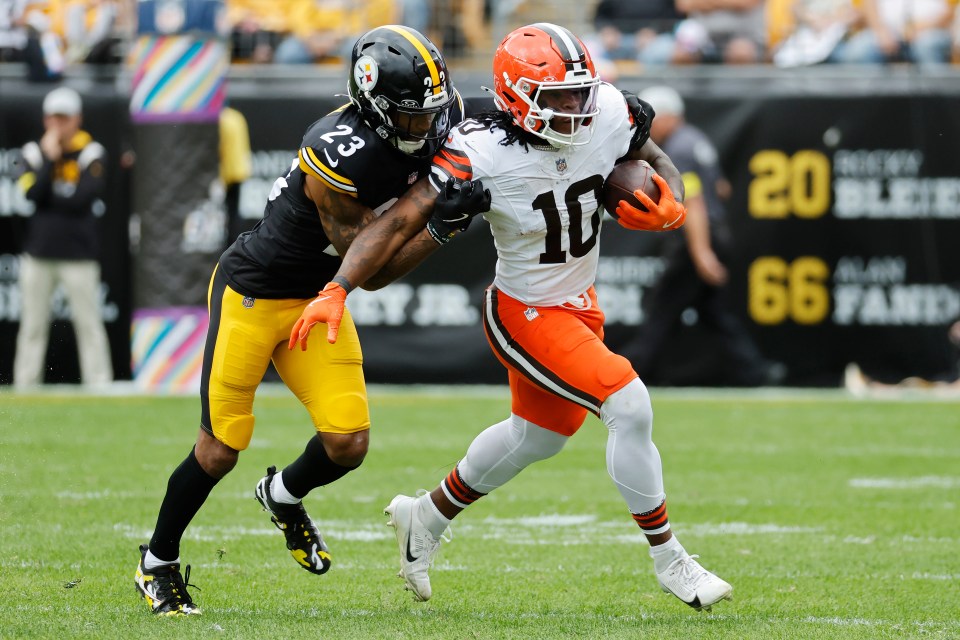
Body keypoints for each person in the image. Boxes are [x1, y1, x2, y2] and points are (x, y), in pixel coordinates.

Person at [290, 22, 733, 611]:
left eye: (579, 92)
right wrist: (339, 287)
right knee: (628, 404)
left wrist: (671, 202)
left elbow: (654, 157)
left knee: (539, 437)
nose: (575, 108)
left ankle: (424, 517)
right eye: (558, 98)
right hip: (525, 310)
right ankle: (671, 558)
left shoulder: (607, 110)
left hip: (579, 304)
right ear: (516, 94)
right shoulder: (477, 150)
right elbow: (398, 223)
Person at [133, 25, 490, 617]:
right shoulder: (336, 151)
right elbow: (368, 270)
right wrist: (436, 225)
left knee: (347, 443)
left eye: (431, 113)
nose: (425, 128)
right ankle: (157, 562)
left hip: (317, 299)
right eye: (409, 117)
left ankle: (282, 494)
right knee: (220, 447)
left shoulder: (437, 111)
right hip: (255, 292)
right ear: (374, 107)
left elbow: (502, 115)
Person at [630, 85, 785, 387]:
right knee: (714, 313)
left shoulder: (678, 148)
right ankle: (755, 372)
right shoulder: (697, 140)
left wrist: (700, 252)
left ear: (665, 117)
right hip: (715, 232)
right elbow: (721, 188)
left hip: (695, 239)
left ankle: (631, 374)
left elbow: (694, 201)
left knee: (662, 308)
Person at [14, 86, 113, 389]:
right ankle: (25, 387)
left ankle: (99, 386)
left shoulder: (92, 151)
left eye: (64, 117)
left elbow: (83, 198)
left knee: (89, 324)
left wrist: (52, 196)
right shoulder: (33, 153)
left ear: (77, 119)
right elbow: (31, 194)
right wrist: (49, 160)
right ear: (45, 120)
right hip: (39, 253)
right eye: (53, 118)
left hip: (78, 255)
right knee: (32, 325)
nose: (58, 124)